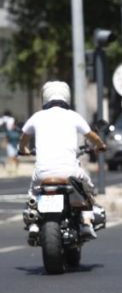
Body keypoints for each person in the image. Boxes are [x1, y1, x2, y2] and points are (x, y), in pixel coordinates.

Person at [18, 81, 107, 240]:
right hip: (69, 172)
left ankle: (33, 222)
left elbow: (24, 138)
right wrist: (100, 145)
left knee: (33, 192)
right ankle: (86, 222)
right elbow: (92, 136)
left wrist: (24, 150)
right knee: (87, 188)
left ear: (45, 97)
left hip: (43, 173)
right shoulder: (73, 116)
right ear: (67, 97)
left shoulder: (37, 116)